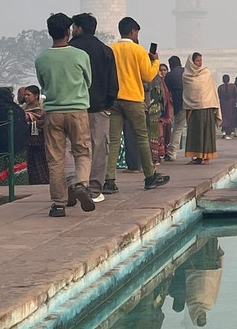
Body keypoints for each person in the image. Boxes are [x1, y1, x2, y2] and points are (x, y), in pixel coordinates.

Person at [35, 12, 95, 218]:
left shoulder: (42, 58)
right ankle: (81, 184)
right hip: (77, 110)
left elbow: (43, 84)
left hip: (53, 112)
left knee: (56, 159)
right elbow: (88, 81)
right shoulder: (80, 55)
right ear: (68, 32)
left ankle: (58, 204)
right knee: (82, 152)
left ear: (50, 32)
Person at [105, 17, 170, 194]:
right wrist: (155, 61)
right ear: (133, 32)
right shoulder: (138, 50)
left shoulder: (111, 50)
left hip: (115, 100)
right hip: (133, 99)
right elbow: (148, 76)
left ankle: (109, 180)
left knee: (114, 141)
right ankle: (150, 176)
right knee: (142, 138)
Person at [70, 14, 117, 197]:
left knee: (75, 147)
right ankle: (95, 187)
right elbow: (113, 82)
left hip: (74, 107)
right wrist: (108, 104)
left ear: (79, 28)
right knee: (98, 148)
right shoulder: (105, 50)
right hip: (99, 107)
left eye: (74, 27)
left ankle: (76, 183)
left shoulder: (69, 49)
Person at [182, 53, 221, 164]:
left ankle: (207, 157)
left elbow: (212, 89)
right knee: (195, 133)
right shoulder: (186, 75)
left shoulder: (206, 73)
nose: (199, 63)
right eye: (197, 61)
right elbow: (188, 91)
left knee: (207, 133)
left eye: (200, 60)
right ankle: (198, 157)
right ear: (191, 62)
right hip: (193, 109)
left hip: (207, 107)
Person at [22, 85, 48, 185]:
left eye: (28, 95)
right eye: (25, 95)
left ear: (36, 95)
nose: (26, 97)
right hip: (28, 139)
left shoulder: (43, 107)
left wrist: (36, 121)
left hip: (41, 138)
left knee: (42, 160)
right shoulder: (23, 108)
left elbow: (45, 121)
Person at [160, 56, 184, 161]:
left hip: (178, 104)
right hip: (192, 103)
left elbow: (165, 92)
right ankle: (196, 154)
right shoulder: (186, 72)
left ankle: (171, 153)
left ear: (170, 65)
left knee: (177, 129)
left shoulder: (170, 76)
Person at [217, 74, 237, 138]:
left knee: (224, 117)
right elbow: (236, 95)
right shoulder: (233, 86)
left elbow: (218, 96)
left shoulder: (220, 87)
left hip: (222, 104)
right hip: (231, 105)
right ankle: (228, 133)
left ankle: (223, 131)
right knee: (230, 118)